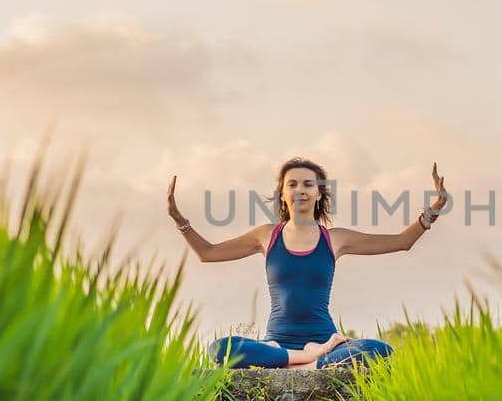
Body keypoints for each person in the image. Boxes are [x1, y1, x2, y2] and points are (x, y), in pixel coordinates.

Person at [168, 157, 448, 369]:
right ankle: (308, 360)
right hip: (276, 343)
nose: (300, 189)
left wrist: (433, 211)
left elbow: (401, 241)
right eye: (292, 184)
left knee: (379, 349)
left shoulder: (335, 239)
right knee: (220, 348)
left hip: (327, 343)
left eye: (308, 184)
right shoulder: (266, 236)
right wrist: (181, 222)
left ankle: (306, 362)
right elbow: (208, 253)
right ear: (282, 193)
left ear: (319, 193)